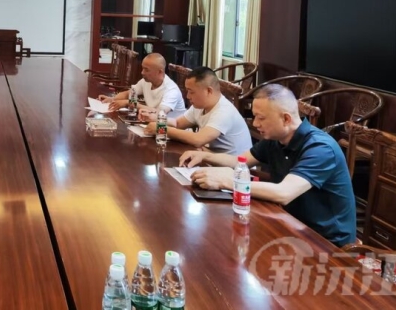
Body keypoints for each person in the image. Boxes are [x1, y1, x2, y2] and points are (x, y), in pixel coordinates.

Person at [180, 84, 356, 247]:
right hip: (289, 223)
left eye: (261, 118)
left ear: (286, 119)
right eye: (255, 116)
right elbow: (239, 161)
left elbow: (284, 193)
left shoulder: (320, 148)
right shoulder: (275, 138)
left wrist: (226, 181)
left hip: (326, 242)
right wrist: (204, 155)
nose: (255, 123)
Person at [146, 66, 251, 154]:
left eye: (191, 92)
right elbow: (178, 123)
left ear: (208, 91)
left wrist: (161, 129)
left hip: (235, 168)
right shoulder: (200, 106)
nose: (188, 96)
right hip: (212, 158)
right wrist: (156, 119)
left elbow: (198, 139)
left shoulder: (224, 111)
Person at [98, 53, 185, 121]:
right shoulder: (146, 81)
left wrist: (129, 103)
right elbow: (129, 93)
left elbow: (159, 113)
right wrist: (112, 99)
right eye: (142, 68)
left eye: (146, 70)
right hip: (152, 124)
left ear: (160, 72)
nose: (142, 72)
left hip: (170, 131)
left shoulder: (171, 90)